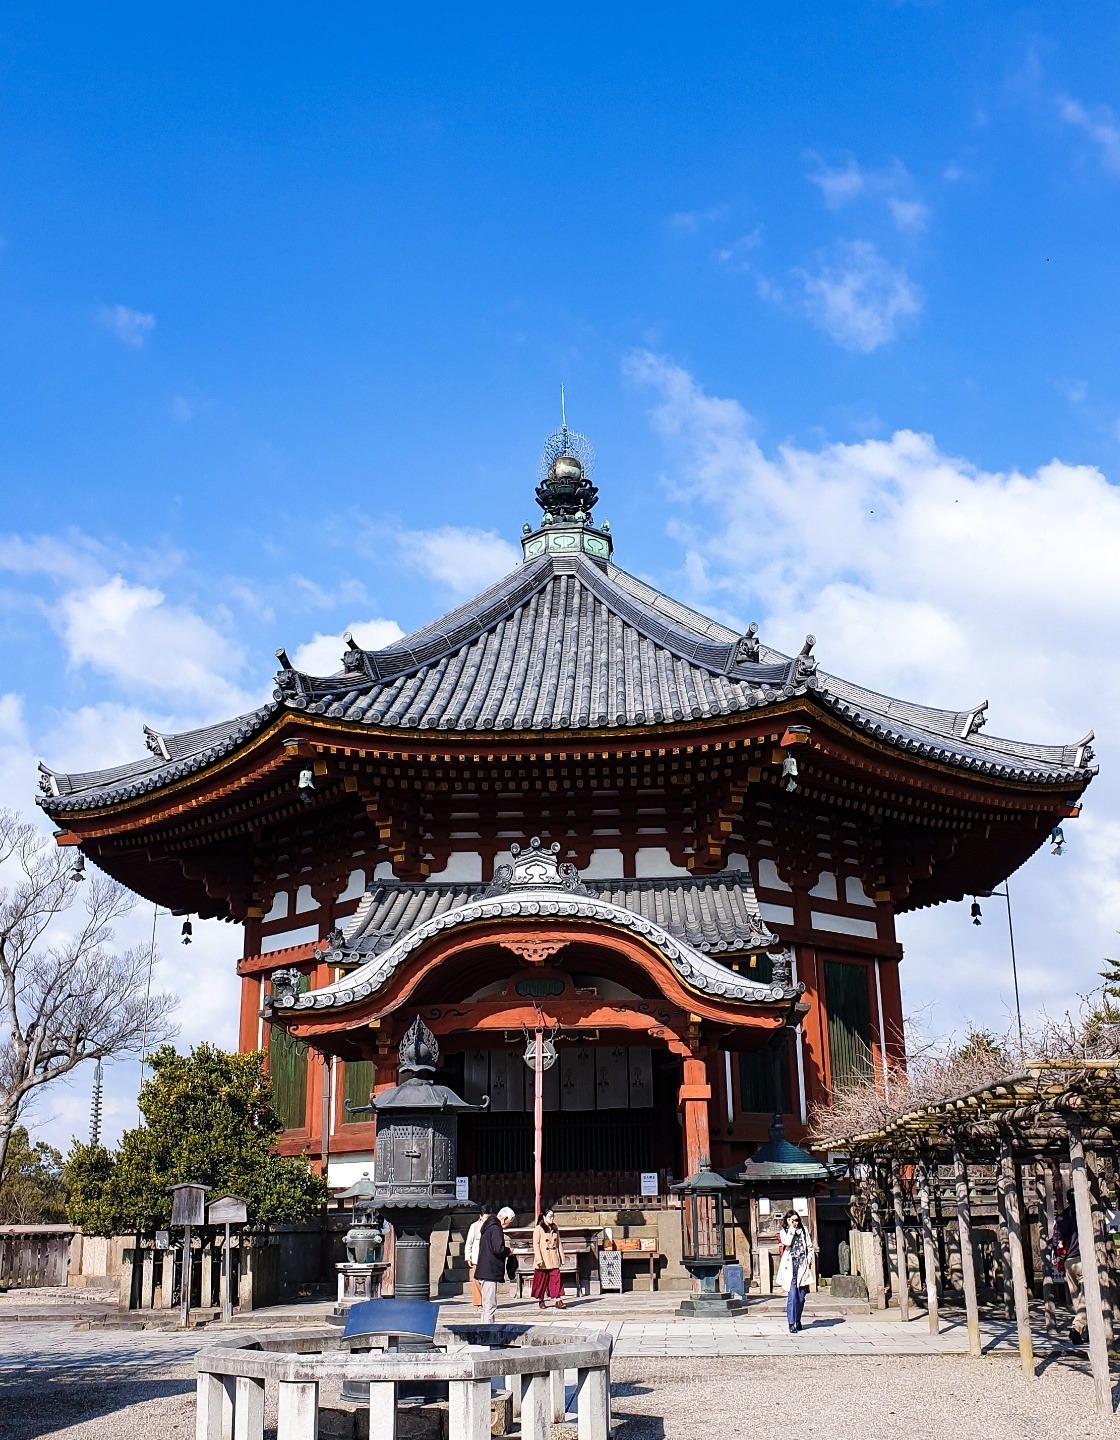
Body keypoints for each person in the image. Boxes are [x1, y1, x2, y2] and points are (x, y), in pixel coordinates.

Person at [1052, 1190, 1086, 1345]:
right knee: (1086, 1296)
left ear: (1067, 1200)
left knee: (1075, 1297)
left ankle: (1080, 1329)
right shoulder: (1085, 1214)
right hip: (1083, 1259)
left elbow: (1057, 1242)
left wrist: (1059, 1259)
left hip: (1068, 1260)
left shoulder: (1060, 1218)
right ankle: (1077, 1327)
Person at [776, 1209, 816, 1334]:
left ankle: (798, 1319)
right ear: (788, 1221)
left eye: (797, 1220)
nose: (795, 1223)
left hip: (802, 1265)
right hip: (790, 1265)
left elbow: (809, 1247)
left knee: (801, 1296)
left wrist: (809, 1260)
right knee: (792, 1296)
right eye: (792, 1220)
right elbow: (787, 1242)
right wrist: (791, 1229)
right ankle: (791, 1323)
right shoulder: (784, 1232)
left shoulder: (803, 1230)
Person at [475, 1205, 516, 1323]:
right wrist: (509, 1251)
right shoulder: (496, 1228)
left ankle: (483, 1331)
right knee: (489, 1306)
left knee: (486, 1306)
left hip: (484, 1269)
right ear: (505, 1218)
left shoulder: (488, 1227)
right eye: (509, 1222)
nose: (508, 1225)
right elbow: (498, 1249)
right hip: (489, 1271)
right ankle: (487, 1334)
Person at [531, 1208, 567, 1310]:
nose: (551, 1218)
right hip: (543, 1258)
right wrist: (538, 1259)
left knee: (556, 1279)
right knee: (541, 1280)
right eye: (549, 1216)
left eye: (552, 1216)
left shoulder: (555, 1228)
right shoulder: (538, 1228)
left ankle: (558, 1299)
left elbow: (559, 1243)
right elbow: (536, 1245)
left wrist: (562, 1257)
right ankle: (541, 1300)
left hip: (553, 1257)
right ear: (544, 1217)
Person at [464, 1213, 484, 1308]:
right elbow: (469, 1242)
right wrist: (468, 1256)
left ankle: (487, 1301)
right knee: (476, 1280)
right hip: (476, 1256)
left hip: (487, 1257)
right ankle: (478, 1302)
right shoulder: (474, 1226)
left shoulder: (492, 1226)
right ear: (481, 1216)